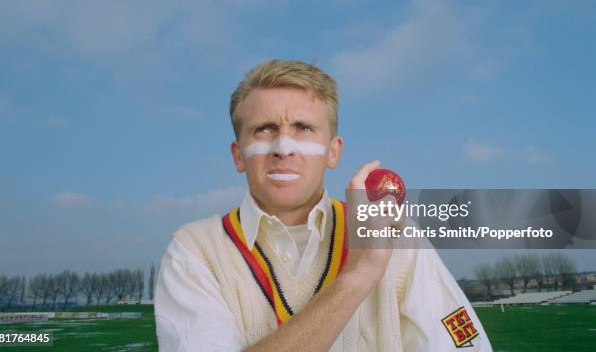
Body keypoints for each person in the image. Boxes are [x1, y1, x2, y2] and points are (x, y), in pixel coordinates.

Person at [155, 60, 493, 351]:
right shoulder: (193, 251)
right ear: (237, 155)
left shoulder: (393, 230)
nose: (283, 147)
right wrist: (360, 273)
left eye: (303, 128)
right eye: (263, 129)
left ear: (334, 151)